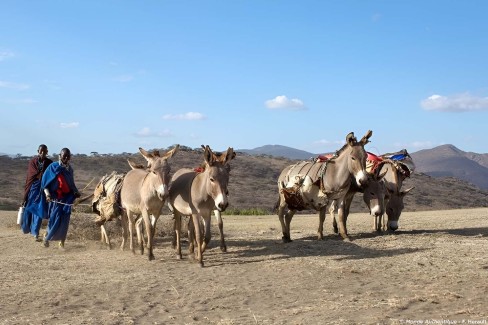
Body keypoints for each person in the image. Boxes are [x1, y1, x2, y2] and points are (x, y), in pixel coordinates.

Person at [38, 148, 81, 248]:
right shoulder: (53, 167)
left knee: (65, 221)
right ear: (60, 155)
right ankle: (47, 237)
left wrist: (75, 192)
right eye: (64, 155)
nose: (66, 157)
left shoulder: (69, 169)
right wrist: (47, 195)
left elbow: (71, 184)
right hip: (55, 199)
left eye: (68, 156)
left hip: (67, 199)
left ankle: (61, 242)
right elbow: (45, 184)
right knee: (54, 219)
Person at [21, 144, 53, 241]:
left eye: (44, 151)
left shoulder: (49, 163)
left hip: (43, 190)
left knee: (39, 211)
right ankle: (26, 228)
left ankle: (35, 233)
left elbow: (50, 176)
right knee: (30, 209)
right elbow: (31, 175)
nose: (42, 152)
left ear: (47, 152)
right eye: (41, 151)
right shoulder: (33, 162)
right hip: (33, 189)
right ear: (37, 151)